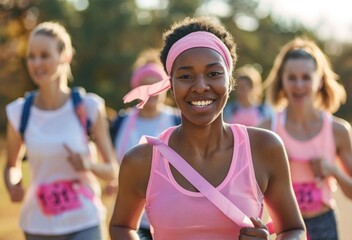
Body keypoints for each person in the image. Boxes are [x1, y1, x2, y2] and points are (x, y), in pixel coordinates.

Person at [109, 16, 306, 240]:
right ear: (170, 85)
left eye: (213, 74)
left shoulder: (264, 148)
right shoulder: (142, 160)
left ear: (230, 81)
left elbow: (293, 229)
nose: (201, 87)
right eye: (185, 76)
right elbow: (121, 227)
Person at [4, 21, 118, 240]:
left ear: (64, 56)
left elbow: (112, 171)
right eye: (31, 56)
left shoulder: (89, 107)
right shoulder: (19, 112)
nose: (36, 63)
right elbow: (11, 165)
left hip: (85, 220)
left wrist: (88, 165)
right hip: (38, 225)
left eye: (45, 55)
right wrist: (13, 183)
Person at [259, 37, 352, 240]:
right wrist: (275, 167)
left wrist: (333, 171)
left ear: (319, 80)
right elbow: (250, 191)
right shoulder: (266, 130)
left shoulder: (338, 130)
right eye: (292, 77)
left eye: (306, 77)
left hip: (324, 224)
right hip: (284, 227)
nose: (298, 85)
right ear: (282, 80)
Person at [108, 48, 180, 240]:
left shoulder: (178, 121)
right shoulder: (120, 122)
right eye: (145, 86)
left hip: (173, 220)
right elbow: (109, 160)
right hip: (134, 222)